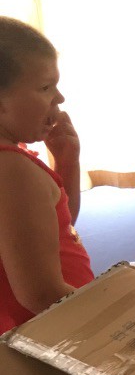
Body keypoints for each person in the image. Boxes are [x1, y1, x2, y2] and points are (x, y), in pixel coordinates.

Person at [0, 17, 93, 334]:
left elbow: (56, 233)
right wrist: (108, 318)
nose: (60, 98)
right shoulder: (13, 170)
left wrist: (68, 163)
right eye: (45, 87)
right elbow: (40, 295)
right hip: (50, 338)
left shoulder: (15, 163)